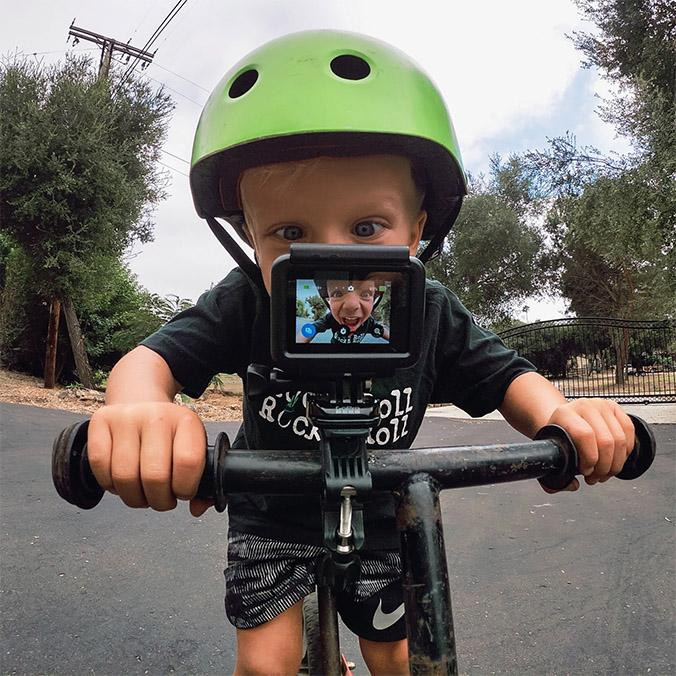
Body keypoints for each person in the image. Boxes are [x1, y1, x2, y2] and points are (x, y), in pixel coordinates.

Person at [87, 31, 636, 676]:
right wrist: (139, 410)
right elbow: (149, 362)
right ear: (250, 240)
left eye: (368, 228)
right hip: (272, 513)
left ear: (419, 228)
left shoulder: (429, 308)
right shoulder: (248, 300)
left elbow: (509, 376)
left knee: (402, 660)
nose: (332, 267)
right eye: (290, 233)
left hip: (386, 511)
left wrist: (563, 417)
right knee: (266, 667)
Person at [298, 278, 390, 344]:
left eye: (365, 294)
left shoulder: (369, 321)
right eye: (337, 294)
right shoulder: (331, 317)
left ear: (374, 300)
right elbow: (310, 329)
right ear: (328, 299)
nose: (351, 306)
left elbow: (383, 332)